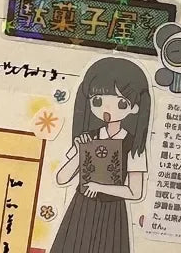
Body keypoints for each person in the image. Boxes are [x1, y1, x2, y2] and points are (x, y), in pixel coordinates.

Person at [51, 57, 151, 253]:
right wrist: (81, 151)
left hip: (111, 214)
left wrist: (99, 187)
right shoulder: (88, 137)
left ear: (134, 107)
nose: (107, 109)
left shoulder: (133, 145)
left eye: (120, 103)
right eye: (98, 101)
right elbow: (62, 178)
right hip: (81, 209)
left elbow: (135, 192)